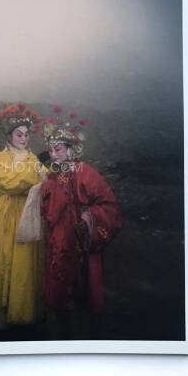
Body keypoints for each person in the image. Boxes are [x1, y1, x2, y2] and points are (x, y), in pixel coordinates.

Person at [40, 107, 122, 339]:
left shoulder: (86, 172)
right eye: (50, 150)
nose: (53, 154)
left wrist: (89, 219)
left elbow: (109, 205)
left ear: (70, 149)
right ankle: (61, 329)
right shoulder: (51, 176)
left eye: (58, 149)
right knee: (59, 281)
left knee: (83, 284)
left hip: (80, 234)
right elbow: (47, 209)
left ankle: (85, 335)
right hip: (59, 236)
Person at [0, 103, 46, 330]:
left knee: (26, 259)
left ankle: (25, 310)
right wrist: (35, 176)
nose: (23, 138)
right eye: (19, 134)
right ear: (9, 136)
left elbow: (46, 180)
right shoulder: (1, 157)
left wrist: (42, 175)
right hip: (9, 212)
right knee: (7, 256)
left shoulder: (33, 158)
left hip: (30, 211)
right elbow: (6, 183)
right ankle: (4, 311)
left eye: (26, 134)